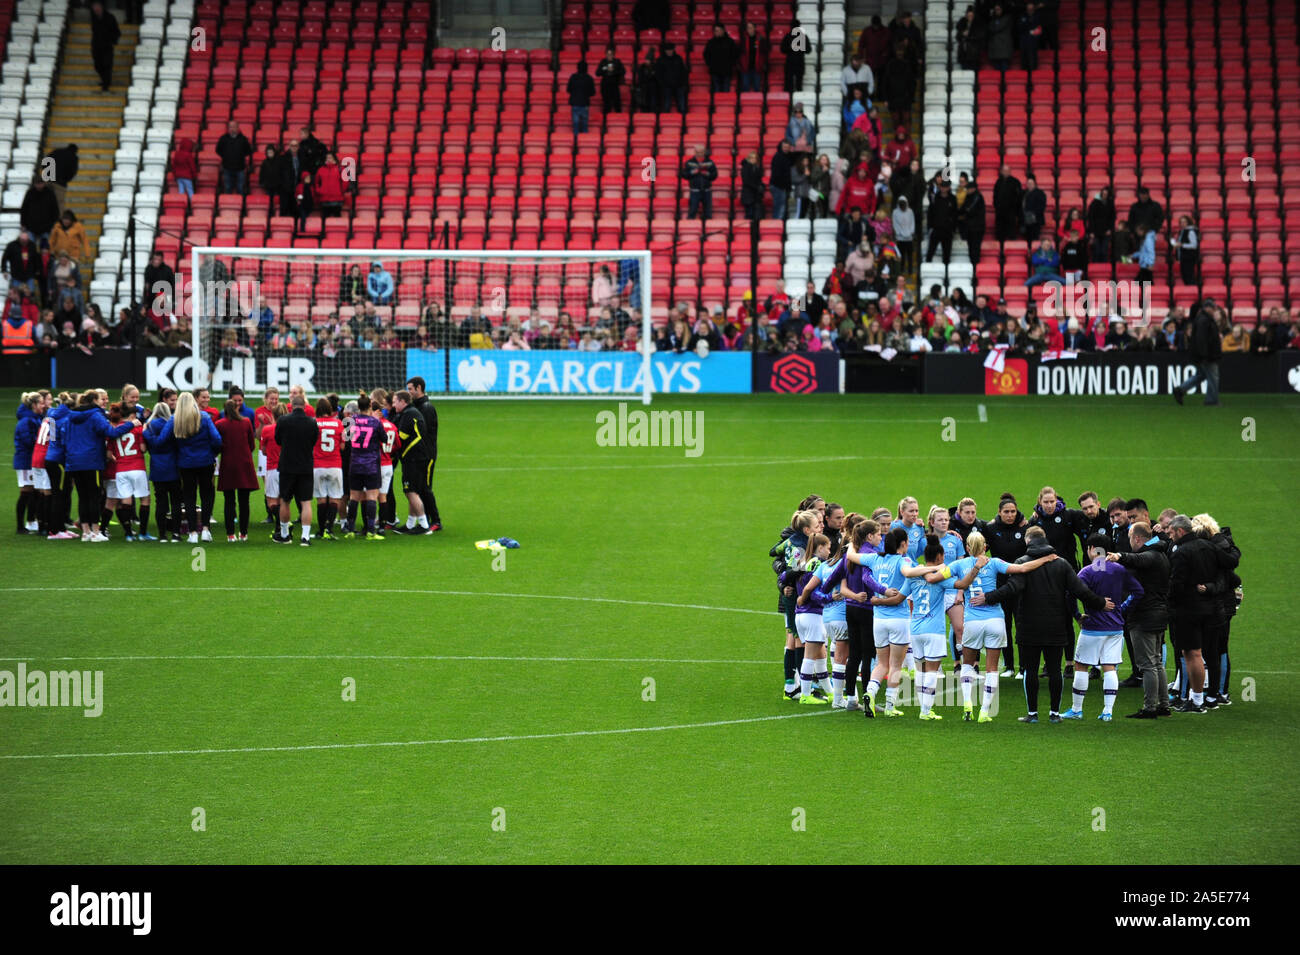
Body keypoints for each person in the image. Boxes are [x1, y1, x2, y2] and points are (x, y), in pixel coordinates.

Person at [974, 526, 1109, 723]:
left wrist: (988, 597)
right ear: (1045, 540)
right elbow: (1080, 590)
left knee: (1030, 669)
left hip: (1029, 625)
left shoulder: (1023, 563)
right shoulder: (1061, 564)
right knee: (1055, 669)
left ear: (1028, 541)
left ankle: (1033, 714)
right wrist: (1101, 603)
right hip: (1056, 624)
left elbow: (1012, 588)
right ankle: (1054, 713)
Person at [946, 531, 1059, 721]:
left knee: (967, 664)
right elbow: (1022, 569)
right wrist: (1045, 559)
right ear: (985, 547)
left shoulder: (958, 565)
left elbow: (940, 576)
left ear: (966, 548)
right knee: (991, 668)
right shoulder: (994, 562)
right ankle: (984, 711)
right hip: (995, 621)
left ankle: (967, 705)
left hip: (972, 621)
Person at [1061, 535, 1144, 721]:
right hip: (1115, 628)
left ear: (1091, 549)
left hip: (1092, 627)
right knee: (1109, 667)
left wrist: (1077, 615)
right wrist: (1122, 610)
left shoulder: (1087, 572)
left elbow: (1070, 594)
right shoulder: (1119, 569)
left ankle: (1076, 709)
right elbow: (1138, 592)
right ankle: (1107, 711)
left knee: (1081, 666)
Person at [1110, 522, 1172, 718]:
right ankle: (1164, 705)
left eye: (1129, 538)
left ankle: (1150, 707)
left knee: (1146, 665)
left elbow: (1139, 559)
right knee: (1157, 663)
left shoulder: (1151, 555)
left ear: (1137, 538)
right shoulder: (1161, 553)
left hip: (1145, 616)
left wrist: (1120, 556)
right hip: (1159, 613)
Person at [63, 390, 135, 541]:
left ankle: (86, 532)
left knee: (83, 497)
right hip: (91, 461)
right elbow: (111, 432)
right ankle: (96, 532)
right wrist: (131, 425)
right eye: (102, 399)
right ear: (94, 400)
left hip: (73, 462)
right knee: (94, 497)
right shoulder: (95, 415)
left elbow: (63, 437)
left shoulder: (70, 416)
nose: (104, 402)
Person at [1165, 514, 1218, 713]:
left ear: (1180, 531)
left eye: (1171, 533)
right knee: (1205, 654)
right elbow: (1225, 571)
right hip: (1210, 608)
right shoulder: (1209, 547)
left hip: (1188, 610)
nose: (1170, 537)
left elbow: (1177, 584)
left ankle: (1196, 701)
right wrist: (1211, 587)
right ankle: (1207, 696)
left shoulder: (1181, 553)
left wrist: (1168, 603)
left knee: (1192, 654)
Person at [157, 392, 222, 543]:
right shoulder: (204, 417)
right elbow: (217, 439)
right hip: (205, 461)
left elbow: (161, 441)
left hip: (185, 463)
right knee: (207, 494)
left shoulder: (175, 419)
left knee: (189, 497)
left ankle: (192, 532)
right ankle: (205, 529)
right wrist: (212, 453)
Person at [272, 394, 318, 545]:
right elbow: (313, 441)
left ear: (291, 405)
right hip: (305, 466)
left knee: (285, 500)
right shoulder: (312, 422)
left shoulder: (283, 421)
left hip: (287, 465)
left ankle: (285, 534)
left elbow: (278, 440)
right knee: (306, 502)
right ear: (305, 406)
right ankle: (305, 537)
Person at [392, 390, 438, 534]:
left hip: (413, 458)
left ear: (402, 401)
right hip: (417, 457)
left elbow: (401, 437)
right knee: (413, 491)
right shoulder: (409, 413)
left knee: (410, 491)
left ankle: (424, 525)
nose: (393, 405)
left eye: (395, 402)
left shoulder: (409, 414)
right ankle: (411, 524)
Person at [106, 401, 150, 540]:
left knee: (126, 501)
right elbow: (143, 449)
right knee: (145, 499)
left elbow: (108, 454)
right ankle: (143, 533)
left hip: (120, 469)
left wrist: (119, 459)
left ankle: (128, 534)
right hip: (137, 467)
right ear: (132, 416)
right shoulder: (137, 429)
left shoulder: (113, 431)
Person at [341, 396, 384, 539]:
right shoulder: (376, 423)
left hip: (355, 464)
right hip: (371, 465)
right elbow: (384, 439)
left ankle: (351, 530)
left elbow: (345, 439)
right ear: (370, 406)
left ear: (358, 407)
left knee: (354, 497)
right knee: (371, 497)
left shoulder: (350, 422)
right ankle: (371, 531)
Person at [403, 376, 442, 530]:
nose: (409, 392)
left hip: (427, 455)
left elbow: (422, 434)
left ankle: (436, 521)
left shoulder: (426, 408)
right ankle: (418, 521)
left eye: (411, 389)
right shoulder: (419, 407)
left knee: (425, 487)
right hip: (420, 455)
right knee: (418, 487)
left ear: (419, 388)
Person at [215, 399, 257, 541]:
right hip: (244, 465)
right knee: (244, 501)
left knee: (229, 501)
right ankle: (244, 533)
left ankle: (230, 534)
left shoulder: (220, 424)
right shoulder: (246, 422)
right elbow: (252, 445)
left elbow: (217, 445)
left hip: (228, 465)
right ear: (237, 408)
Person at [143, 400, 180, 542]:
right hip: (173, 466)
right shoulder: (173, 425)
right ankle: (176, 533)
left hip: (157, 468)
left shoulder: (150, 427)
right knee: (176, 502)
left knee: (161, 502)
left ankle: (162, 534)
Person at [1172, 301, 1222, 405]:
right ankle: (1211, 400)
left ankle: (1181, 390)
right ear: (1208, 308)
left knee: (1201, 375)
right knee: (1213, 377)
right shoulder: (1204, 320)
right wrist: (1204, 355)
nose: (1214, 311)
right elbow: (1201, 339)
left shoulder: (1203, 319)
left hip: (1203, 354)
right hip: (1207, 355)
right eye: (1213, 309)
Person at [679, 146, 718, 221]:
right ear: (695, 152)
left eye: (701, 152)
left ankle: (708, 228)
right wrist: (693, 172)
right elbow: (684, 175)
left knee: (708, 212)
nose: (699, 154)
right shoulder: (690, 162)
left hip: (707, 191)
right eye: (697, 152)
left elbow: (715, 175)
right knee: (692, 211)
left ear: (704, 152)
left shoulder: (710, 162)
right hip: (694, 191)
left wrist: (707, 174)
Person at [925, 178, 958, 265]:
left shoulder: (953, 199)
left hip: (947, 230)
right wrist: (930, 227)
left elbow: (955, 215)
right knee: (930, 252)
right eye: (942, 186)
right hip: (936, 229)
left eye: (945, 187)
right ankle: (927, 270)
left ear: (948, 187)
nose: (943, 188)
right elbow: (930, 214)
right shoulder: (935, 198)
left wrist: (953, 229)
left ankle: (946, 275)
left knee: (947, 255)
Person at [215, 121, 253, 196]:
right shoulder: (223, 138)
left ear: (237, 128)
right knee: (228, 188)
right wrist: (225, 156)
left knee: (240, 188)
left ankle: (241, 206)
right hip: (227, 168)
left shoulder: (243, 139)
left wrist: (240, 156)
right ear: (228, 128)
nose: (232, 129)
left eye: (234, 127)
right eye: (230, 127)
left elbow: (248, 151)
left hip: (240, 168)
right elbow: (218, 150)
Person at [89, 1, 121, 91]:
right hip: (96, 46)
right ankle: (105, 81)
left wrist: (112, 41)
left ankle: (106, 84)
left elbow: (117, 32)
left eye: (97, 6)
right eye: (94, 7)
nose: (96, 9)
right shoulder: (94, 18)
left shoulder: (110, 18)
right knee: (97, 65)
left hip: (107, 46)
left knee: (107, 65)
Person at [21, 181, 60, 248]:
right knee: (31, 249)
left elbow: (55, 209)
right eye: (37, 183)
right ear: (35, 184)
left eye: (40, 183)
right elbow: (24, 209)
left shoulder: (50, 193)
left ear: (44, 183)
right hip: (31, 227)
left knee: (45, 249)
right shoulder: (30, 193)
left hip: (46, 228)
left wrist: (53, 224)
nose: (39, 185)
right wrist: (23, 223)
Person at [703, 23, 739, 93]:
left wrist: (731, 64)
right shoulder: (711, 42)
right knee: (716, 91)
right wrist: (710, 64)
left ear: (723, 31)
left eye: (718, 30)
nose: (717, 32)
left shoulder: (730, 42)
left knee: (726, 91)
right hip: (715, 71)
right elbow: (706, 54)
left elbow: (735, 54)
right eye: (716, 31)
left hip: (727, 71)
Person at [957, 178, 985, 264]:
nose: (967, 190)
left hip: (977, 228)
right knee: (971, 249)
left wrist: (962, 213)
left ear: (973, 189)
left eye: (968, 189)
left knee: (975, 249)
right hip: (971, 228)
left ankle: (975, 268)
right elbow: (963, 209)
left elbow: (969, 210)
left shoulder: (977, 197)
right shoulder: (970, 197)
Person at [655, 43, 688, 114]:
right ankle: (666, 120)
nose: (669, 52)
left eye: (670, 50)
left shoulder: (679, 59)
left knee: (681, 106)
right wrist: (662, 84)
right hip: (666, 86)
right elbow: (658, 74)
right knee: (667, 105)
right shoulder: (660, 60)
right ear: (665, 51)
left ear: (673, 50)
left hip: (679, 85)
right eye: (667, 50)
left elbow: (684, 72)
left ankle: (683, 120)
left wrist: (683, 83)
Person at [44, 144, 79, 209]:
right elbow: (72, 171)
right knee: (58, 203)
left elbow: (45, 161)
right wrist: (65, 179)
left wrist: (47, 175)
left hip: (48, 180)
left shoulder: (56, 152)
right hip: (60, 184)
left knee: (45, 201)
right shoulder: (73, 157)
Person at [738, 20, 768, 92]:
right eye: (748, 28)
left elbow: (765, 53)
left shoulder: (761, 39)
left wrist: (762, 64)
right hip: (745, 67)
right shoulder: (743, 39)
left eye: (751, 28)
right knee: (745, 87)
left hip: (757, 67)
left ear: (755, 28)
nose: (749, 29)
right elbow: (739, 53)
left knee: (757, 87)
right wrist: (741, 64)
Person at [566, 62, 596, 135]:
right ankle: (584, 142)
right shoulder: (589, 78)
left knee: (575, 125)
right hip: (584, 103)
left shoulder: (573, 77)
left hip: (575, 103)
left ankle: (576, 142)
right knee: (584, 125)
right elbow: (592, 92)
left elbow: (568, 89)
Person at [769, 140, 794, 220]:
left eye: (787, 147)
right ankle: (777, 226)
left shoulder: (787, 157)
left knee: (781, 208)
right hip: (778, 186)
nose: (786, 149)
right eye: (784, 147)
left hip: (781, 186)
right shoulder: (778, 157)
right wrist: (785, 186)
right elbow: (777, 175)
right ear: (781, 147)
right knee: (780, 209)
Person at [1172, 214, 1200, 285]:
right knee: (1185, 276)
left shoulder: (1190, 231)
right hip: (1183, 258)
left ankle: (1193, 292)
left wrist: (1182, 245)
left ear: (1188, 222)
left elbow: (1194, 245)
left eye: (1184, 222)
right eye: (1181, 222)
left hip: (1189, 258)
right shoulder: (1182, 231)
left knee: (1189, 276)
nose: (1182, 224)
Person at [595, 47, 625, 112]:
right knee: (606, 103)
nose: (609, 56)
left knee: (617, 103)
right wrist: (605, 68)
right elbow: (597, 73)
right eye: (607, 54)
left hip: (614, 85)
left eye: (610, 54)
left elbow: (623, 72)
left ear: (613, 55)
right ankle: (606, 119)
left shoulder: (617, 62)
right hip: (605, 85)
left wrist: (614, 70)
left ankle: (618, 117)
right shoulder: (603, 62)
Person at [740, 151, 764, 221]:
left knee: (754, 215)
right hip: (748, 195)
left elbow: (758, 180)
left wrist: (762, 186)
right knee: (749, 214)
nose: (753, 159)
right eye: (752, 158)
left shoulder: (756, 168)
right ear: (748, 158)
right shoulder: (746, 168)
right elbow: (746, 181)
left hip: (755, 195)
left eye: (755, 158)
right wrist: (757, 187)